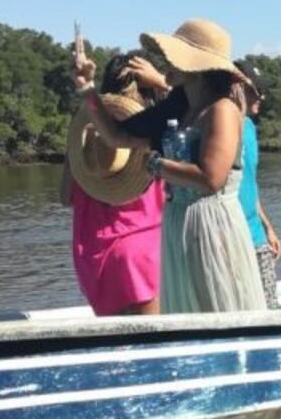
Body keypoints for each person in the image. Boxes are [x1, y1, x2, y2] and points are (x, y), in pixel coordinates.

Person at [79, 19, 264, 314]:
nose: (165, 62)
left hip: (212, 223)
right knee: (185, 309)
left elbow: (210, 178)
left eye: (174, 56)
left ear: (198, 68)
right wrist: (87, 90)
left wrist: (155, 164)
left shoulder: (223, 109)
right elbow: (116, 136)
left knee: (218, 310)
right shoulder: (177, 107)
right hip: (179, 220)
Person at [61, 52, 165, 316]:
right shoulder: (150, 133)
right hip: (142, 251)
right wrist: (163, 82)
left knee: (117, 348)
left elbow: (64, 196)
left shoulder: (86, 137)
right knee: (154, 344)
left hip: (93, 256)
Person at [235, 58, 281, 307]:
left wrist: (268, 226)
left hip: (256, 235)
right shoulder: (223, 127)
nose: (261, 97)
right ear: (238, 87)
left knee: (269, 305)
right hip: (233, 237)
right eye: (256, 90)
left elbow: (249, 184)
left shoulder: (250, 128)